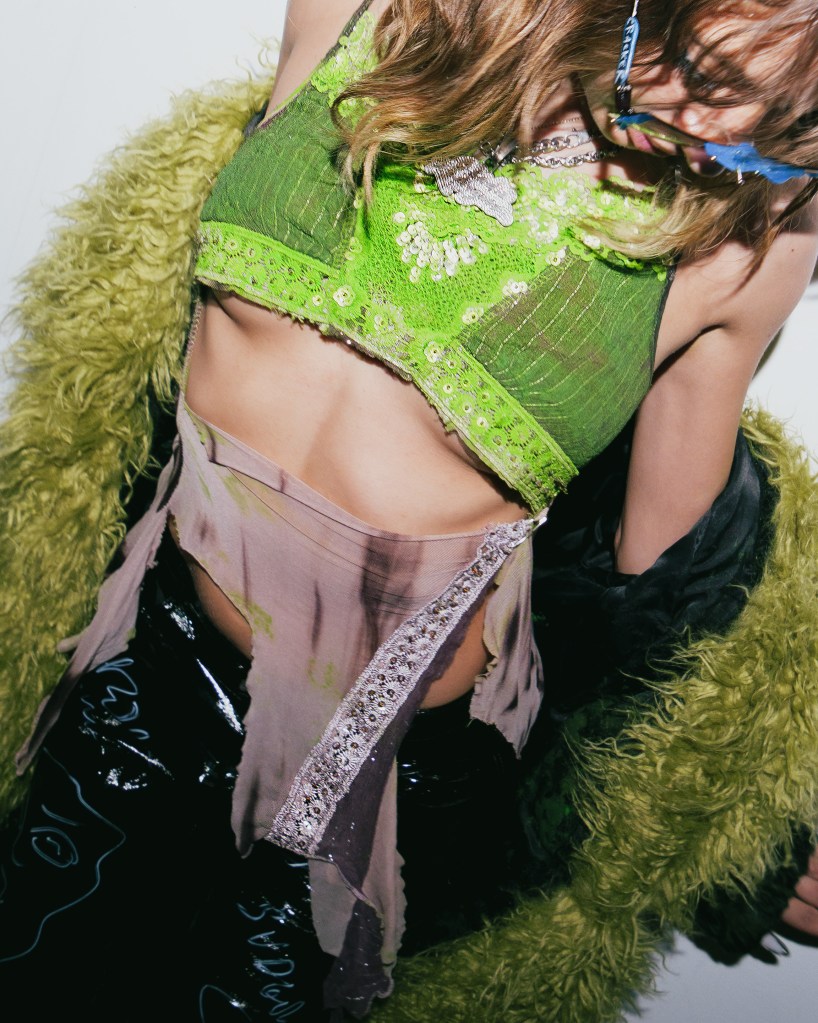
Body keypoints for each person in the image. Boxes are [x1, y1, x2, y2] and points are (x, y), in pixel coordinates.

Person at [2, 0, 818, 1019]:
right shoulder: (375, 16)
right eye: (703, 73)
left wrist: (733, 841)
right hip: (139, 666)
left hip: (373, 786)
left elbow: (660, 612)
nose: (713, 135)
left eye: (783, 130)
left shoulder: (745, 240)